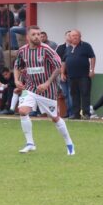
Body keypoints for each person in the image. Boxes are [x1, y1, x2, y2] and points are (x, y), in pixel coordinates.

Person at [14, 26, 75, 155]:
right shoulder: (22, 51)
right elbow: (17, 66)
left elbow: (58, 67)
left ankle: (69, 143)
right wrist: (16, 80)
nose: (37, 36)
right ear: (28, 37)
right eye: (34, 34)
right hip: (30, 87)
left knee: (55, 118)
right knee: (23, 111)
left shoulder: (47, 50)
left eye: (39, 34)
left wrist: (47, 83)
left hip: (47, 91)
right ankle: (30, 143)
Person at [61, 29, 96, 120]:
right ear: (70, 37)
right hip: (71, 76)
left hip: (84, 75)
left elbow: (92, 57)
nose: (75, 37)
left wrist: (92, 70)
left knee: (85, 94)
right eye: (73, 35)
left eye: (77, 35)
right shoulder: (68, 48)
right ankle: (76, 114)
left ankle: (86, 113)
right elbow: (64, 61)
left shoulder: (86, 46)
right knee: (74, 95)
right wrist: (62, 73)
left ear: (80, 37)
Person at [56, 31, 73, 119]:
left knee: (71, 93)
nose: (70, 37)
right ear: (65, 37)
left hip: (72, 75)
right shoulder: (60, 48)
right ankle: (68, 112)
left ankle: (72, 113)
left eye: (71, 35)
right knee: (65, 94)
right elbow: (57, 60)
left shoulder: (75, 47)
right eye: (68, 35)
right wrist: (61, 73)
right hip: (61, 74)